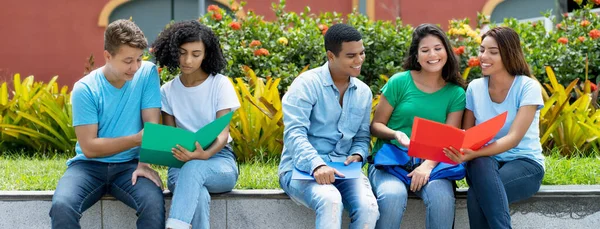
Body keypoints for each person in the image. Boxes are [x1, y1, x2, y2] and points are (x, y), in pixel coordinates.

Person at [49, 19, 165, 229]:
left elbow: (151, 127)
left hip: (131, 165)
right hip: (88, 167)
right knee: (62, 206)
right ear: (107, 56)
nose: (135, 67)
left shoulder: (147, 74)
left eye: (139, 58)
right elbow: (90, 148)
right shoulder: (85, 89)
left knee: (153, 203)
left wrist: (144, 164)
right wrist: (136, 139)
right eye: (128, 60)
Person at [278, 23, 379, 229]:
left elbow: (361, 137)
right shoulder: (306, 84)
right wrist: (318, 165)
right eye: (351, 56)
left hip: (344, 169)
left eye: (362, 53)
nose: (359, 60)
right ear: (331, 56)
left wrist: (359, 154)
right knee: (330, 200)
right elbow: (295, 134)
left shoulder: (363, 92)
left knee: (369, 209)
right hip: (300, 169)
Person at [444, 26, 545, 229]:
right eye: (482, 50)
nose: (483, 56)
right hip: (482, 163)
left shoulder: (527, 87)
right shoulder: (475, 88)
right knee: (481, 165)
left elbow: (514, 138)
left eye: (493, 52)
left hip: (524, 162)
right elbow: (468, 135)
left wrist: (472, 154)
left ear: (509, 54)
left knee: (476, 195)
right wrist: (464, 150)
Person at [368, 23, 466, 229]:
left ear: (446, 51)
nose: (433, 54)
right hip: (391, 162)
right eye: (425, 50)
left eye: (438, 48)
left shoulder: (456, 93)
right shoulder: (399, 82)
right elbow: (376, 125)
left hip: (432, 164)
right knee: (392, 196)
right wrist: (395, 134)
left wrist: (426, 166)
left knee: (442, 200)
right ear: (417, 55)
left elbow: (449, 137)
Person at [151, 20, 240, 229]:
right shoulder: (167, 91)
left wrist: (204, 155)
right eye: (182, 53)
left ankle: (174, 226)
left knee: (194, 169)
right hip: (180, 163)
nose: (187, 60)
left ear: (206, 54)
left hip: (220, 160)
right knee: (196, 193)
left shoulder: (220, 84)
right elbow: (171, 136)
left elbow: (222, 134)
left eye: (195, 54)